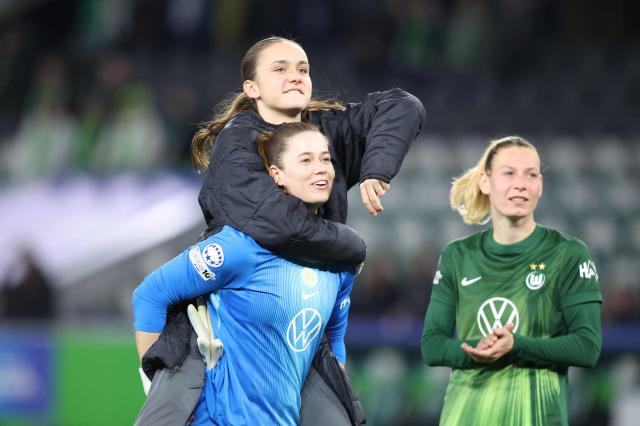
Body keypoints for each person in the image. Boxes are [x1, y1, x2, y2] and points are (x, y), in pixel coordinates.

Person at [138, 35, 426, 425]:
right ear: (252, 89)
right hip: (232, 315)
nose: (296, 76)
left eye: (303, 69)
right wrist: (351, 247)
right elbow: (274, 225)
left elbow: (402, 106)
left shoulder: (323, 131)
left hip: (299, 320)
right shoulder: (239, 143)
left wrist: (376, 166)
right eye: (280, 68)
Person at [133, 122, 358, 424]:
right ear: (277, 175)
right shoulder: (240, 247)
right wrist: (157, 386)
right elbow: (151, 294)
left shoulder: (339, 265)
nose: (320, 168)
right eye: (305, 160)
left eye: (325, 159)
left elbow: (333, 345)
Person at [420, 136, 602, 426]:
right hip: (465, 416)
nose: (521, 183)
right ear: (485, 182)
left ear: (540, 185)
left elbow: (587, 347)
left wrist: (516, 345)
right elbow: (432, 346)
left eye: (531, 175)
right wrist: (478, 351)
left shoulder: (568, 254)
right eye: (509, 173)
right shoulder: (457, 255)